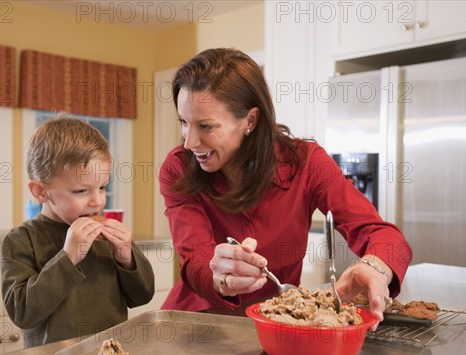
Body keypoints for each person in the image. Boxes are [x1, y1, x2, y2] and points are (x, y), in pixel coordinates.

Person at [159, 48, 412, 327]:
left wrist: (374, 266)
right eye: (184, 123)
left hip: (280, 323)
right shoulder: (177, 169)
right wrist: (218, 276)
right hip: (195, 324)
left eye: (205, 126)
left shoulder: (307, 163)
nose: (189, 142)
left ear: (250, 120)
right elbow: (195, 259)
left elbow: (383, 236)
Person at [1, 116, 154, 348]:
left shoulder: (106, 237)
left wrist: (127, 258)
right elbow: (22, 313)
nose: (97, 202)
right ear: (41, 192)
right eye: (81, 190)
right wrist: (68, 258)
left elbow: (143, 296)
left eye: (102, 187)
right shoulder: (21, 240)